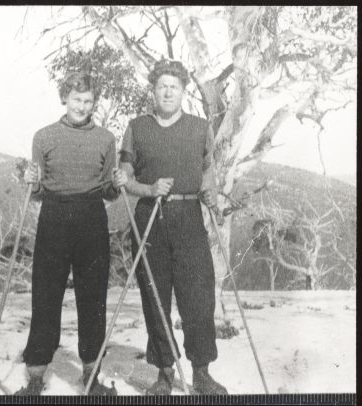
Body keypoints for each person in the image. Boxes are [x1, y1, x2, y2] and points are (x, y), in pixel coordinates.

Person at [113, 60, 228, 395]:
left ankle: (202, 372)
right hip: (150, 218)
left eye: (173, 86)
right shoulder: (137, 127)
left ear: (183, 90)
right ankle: (164, 373)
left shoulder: (199, 126)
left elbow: (208, 168)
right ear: (153, 89)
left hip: (190, 216)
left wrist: (209, 190)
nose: (167, 91)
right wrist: (148, 189)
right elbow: (125, 178)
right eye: (161, 85)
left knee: (199, 298)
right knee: (155, 298)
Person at [16, 72, 120, 396]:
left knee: (93, 297)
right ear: (65, 98)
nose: (82, 106)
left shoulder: (105, 139)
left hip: (91, 216)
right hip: (55, 216)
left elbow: (109, 191)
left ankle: (91, 377)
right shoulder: (44, 136)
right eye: (77, 99)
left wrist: (116, 183)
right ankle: (35, 376)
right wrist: (31, 179)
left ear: (94, 102)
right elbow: (36, 191)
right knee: (46, 296)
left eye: (88, 101)